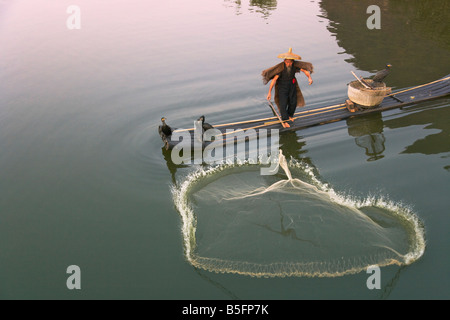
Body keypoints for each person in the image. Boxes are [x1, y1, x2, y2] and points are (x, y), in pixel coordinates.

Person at [262, 48, 313, 128]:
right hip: (282, 87)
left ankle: (290, 115)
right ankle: (285, 120)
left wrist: (309, 78)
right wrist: (269, 92)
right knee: (283, 103)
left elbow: (305, 71)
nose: (287, 63)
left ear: (292, 62)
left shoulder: (295, 66)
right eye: (286, 61)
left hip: (292, 85)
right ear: (284, 61)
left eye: (289, 62)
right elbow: (274, 80)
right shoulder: (280, 69)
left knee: (293, 102)